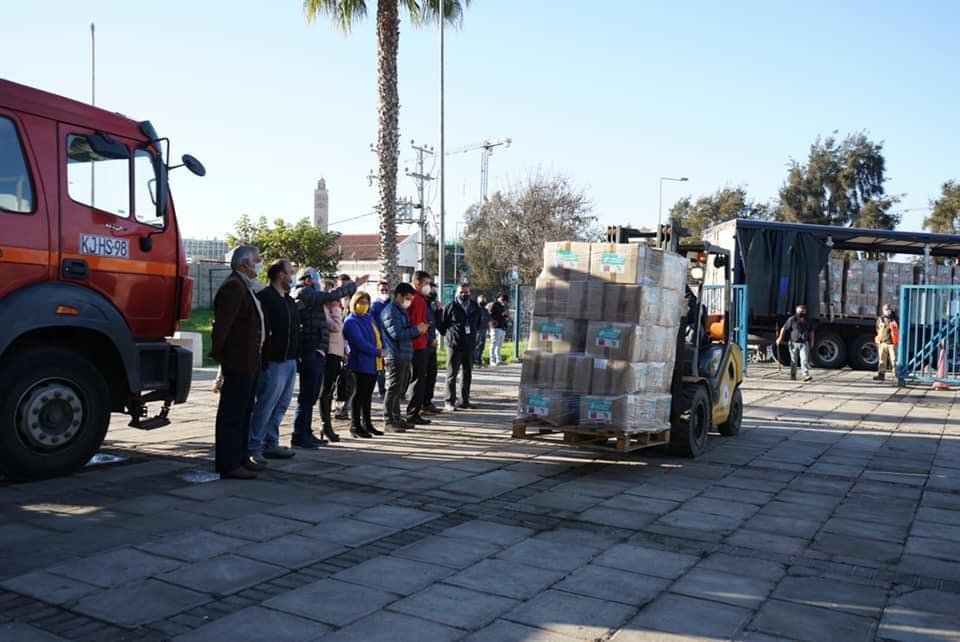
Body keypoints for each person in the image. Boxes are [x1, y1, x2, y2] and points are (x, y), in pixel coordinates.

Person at [292, 267, 365, 449]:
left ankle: (306, 432)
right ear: (307, 280)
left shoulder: (309, 295)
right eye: (316, 279)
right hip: (311, 348)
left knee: (311, 395)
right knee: (308, 395)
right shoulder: (304, 293)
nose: (318, 283)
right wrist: (353, 286)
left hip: (318, 349)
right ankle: (300, 434)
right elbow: (330, 298)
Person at [210, 245, 266, 480]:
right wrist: (225, 359)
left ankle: (241, 457)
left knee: (244, 412)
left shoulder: (244, 285)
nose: (260, 263)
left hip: (250, 360)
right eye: (257, 260)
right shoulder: (234, 287)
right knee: (232, 414)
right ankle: (229, 463)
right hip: (238, 361)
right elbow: (222, 327)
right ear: (245, 263)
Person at [247, 260, 299, 465]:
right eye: (290, 273)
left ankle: (271, 442)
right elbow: (259, 329)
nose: (292, 277)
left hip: (290, 360)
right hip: (273, 362)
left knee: (281, 405)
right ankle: (253, 446)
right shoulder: (265, 298)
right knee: (265, 405)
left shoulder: (288, 300)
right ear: (280, 275)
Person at [381, 283, 429, 432]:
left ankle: (396, 418)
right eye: (407, 298)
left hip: (404, 354)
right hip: (395, 355)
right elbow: (397, 334)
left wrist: (418, 330)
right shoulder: (391, 311)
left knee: (400, 389)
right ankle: (389, 420)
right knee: (393, 388)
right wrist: (416, 330)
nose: (408, 301)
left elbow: (405, 330)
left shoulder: (401, 311)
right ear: (399, 296)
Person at [343, 291, 387, 438]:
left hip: (373, 363)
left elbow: (378, 335)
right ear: (354, 304)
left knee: (367, 396)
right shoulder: (351, 321)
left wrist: (383, 349)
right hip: (360, 363)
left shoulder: (368, 319)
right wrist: (377, 351)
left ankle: (367, 424)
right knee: (358, 395)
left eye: (366, 302)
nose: (364, 305)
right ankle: (355, 425)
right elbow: (359, 343)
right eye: (360, 302)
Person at [439, 282, 481, 411]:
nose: (464, 294)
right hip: (454, 344)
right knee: (452, 373)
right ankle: (449, 401)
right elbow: (442, 325)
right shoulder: (450, 306)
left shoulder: (475, 307)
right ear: (457, 293)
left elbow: (477, 324)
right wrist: (450, 336)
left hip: (469, 345)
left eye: (466, 292)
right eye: (461, 292)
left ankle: (465, 400)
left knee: (467, 373)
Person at [405, 271, 434, 425]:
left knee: (420, 379)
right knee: (417, 379)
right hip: (417, 345)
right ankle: (412, 412)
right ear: (417, 283)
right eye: (426, 283)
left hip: (421, 343)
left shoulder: (422, 299)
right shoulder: (416, 299)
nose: (428, 287)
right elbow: (416, 322)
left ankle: (415, 411)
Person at [318, 286, 346, 442]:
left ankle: (327, 423)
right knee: (325, 390)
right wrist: (335, 309)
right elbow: (335, 327)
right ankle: (325, 423)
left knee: (330, 389)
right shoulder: (325, 310)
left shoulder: (335, 310)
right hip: (328, 353)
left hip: (337, 353)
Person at [334, 274, 355, 420]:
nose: (345, 289)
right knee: (336, 380)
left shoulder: (356, 302)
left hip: (351, 347)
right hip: (335, 346)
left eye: (348, 285)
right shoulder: (333, 301)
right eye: (343, 285)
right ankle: (336, 406)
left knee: (349, 380)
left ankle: (346, 408)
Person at [777, 304, 815, 382]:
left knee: (804, 359)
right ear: (796, 311)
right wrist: (780, 339)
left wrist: (812, 342)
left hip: (804, 343)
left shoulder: (808, 320)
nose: (802, 312)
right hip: (793, 343)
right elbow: (784, 329)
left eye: (803, 310)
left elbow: (811, 332)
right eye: (800, 310)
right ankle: (793, 375)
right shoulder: (792, 319)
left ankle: (805, 375)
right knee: (793, 360)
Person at [421, 285, 443, 414]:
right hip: (423, 344)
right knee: (421, 376)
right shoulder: (422, 305)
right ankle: (418, 405)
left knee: (432, 374)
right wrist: (429, 340)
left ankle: (427, 402)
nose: (434, 293)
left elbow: (438, 325)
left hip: (432, 346)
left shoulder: (431, 306)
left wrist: (439, 311)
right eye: (432, 290)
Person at [371, 281, 391, 397]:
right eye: (382, 290)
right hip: (379, 341)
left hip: (391, 341)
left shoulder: (392, 304)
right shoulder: (374, 306)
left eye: (386, 290)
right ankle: (382, 390)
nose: (384, 292)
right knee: (381, 369)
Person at [874, 304, 899, 382]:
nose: (887, 311)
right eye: (885, 309)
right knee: (882, 360)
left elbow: (898, 328)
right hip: (883, 342)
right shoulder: (880, 319)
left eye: (888, 309)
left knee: (894, 360)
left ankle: (896, 375)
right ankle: (881, 374)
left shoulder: (895, 318)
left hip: (892, 342)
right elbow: (877, 328)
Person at [489, 293, 510, 366]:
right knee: (494, 343)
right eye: (504, 301)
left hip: (502, 326)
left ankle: (498, 359)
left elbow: (504, 315)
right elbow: (490, 315)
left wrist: (506, 316)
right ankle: (492, 360)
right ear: (501, 299)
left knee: (499, 344)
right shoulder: (494, 304)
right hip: (496, 326)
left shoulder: (502, 306)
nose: (504, 303)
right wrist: (501, 315)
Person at [474, 294, 490, 367]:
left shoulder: (485, 310)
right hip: (478, 329)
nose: (483, 301)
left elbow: (488, 318)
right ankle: (475, 361)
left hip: (484, 329)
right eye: (481, 299)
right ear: (478, 300)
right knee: (477, 345)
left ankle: (479, 360)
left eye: (484, 299)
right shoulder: (476, 309)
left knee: (481, 346)